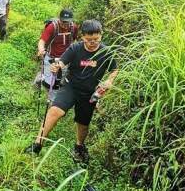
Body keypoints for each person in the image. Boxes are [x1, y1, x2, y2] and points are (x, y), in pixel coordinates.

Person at [24, 20, 119, 164]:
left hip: (89, 93)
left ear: (101, 35)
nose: (93, 42)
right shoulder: (75, 48)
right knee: (55, 111)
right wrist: (57, 67)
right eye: (89, 40)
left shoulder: (106, 52)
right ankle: (38, 144)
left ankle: (79, 146)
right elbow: (62, 62)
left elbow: (114, 69)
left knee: (83, 123)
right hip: (71, 87)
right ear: (82, 37)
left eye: (96, 39)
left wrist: (110, 81)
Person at [36, 9, 78, 99]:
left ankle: (53, 100)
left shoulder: (74, 27)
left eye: (68, 22)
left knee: (60, 79)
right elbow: (42, 41)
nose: (65, 25)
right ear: (59, 19)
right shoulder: (52, 27)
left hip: (65, 58)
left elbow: (74, 41)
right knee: (49, 81)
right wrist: (41, 50)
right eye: (63, 22)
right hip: (51, 57)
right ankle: (41, 81)